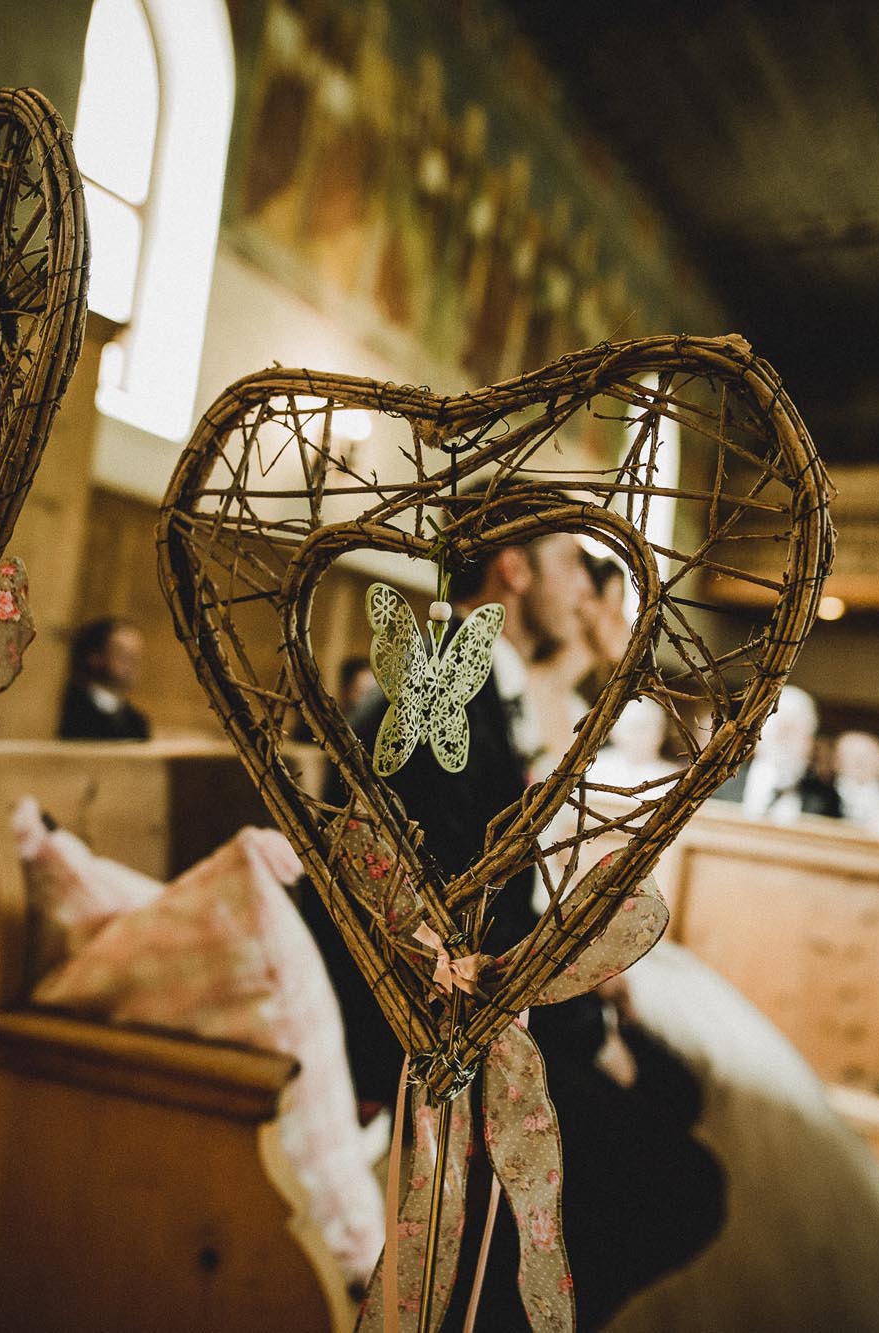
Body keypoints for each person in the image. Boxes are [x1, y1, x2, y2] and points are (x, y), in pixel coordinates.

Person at [299, 519, 723, 1330]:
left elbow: (495, 893)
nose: (585, 586)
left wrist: (590, 994)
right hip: (419, 1027)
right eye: (571, 563)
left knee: (673, 1090)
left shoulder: (481, 687)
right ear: (514, 568)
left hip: (466, 997)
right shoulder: (436, 696)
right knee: (685, 1184)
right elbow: (455, 923)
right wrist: (585, 1024)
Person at [524, 552, 632, 773]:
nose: (625, 623)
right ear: (586, 602)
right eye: (615, 605)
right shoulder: (524, 686)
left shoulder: (577, 711)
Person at [714, 685, 843, 821]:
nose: (785, 742)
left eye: (793, 732)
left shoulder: (826, 800)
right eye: (778, 730)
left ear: (810, 743)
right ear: (756, 736)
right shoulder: (721, 784)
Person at [58, 616, 152, 740]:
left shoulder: (137, 721)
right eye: (123, 654)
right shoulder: (68, 710)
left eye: (136, 656)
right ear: (94, 657)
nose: (133, 663)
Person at [587, 697, 682, 793]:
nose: (639, 736)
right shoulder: (594, 770)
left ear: (662, 732)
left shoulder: (671, 777)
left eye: (646, 728)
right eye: (632, 727)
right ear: (613, 731)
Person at [833, 730, 879, 826]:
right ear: (836, 763)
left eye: (867, 756)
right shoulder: (823, 800)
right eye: (851, 756)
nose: (861, 763)